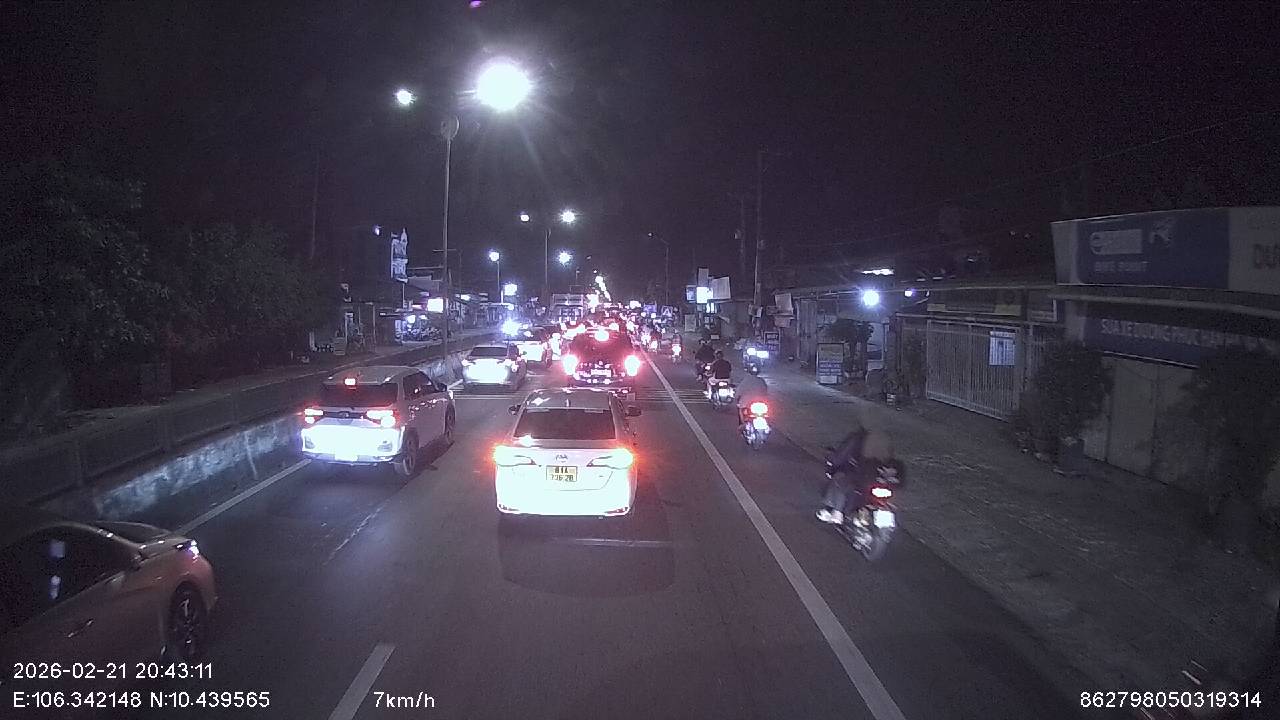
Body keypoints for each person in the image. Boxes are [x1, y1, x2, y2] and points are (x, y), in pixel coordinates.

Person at [817, 412, 900, 524]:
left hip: (862, 476)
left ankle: (837, 512)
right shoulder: (886, 438)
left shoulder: (858, 437)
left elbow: (842, 454)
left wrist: (833, 462)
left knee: (839, 480)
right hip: (881, 477)